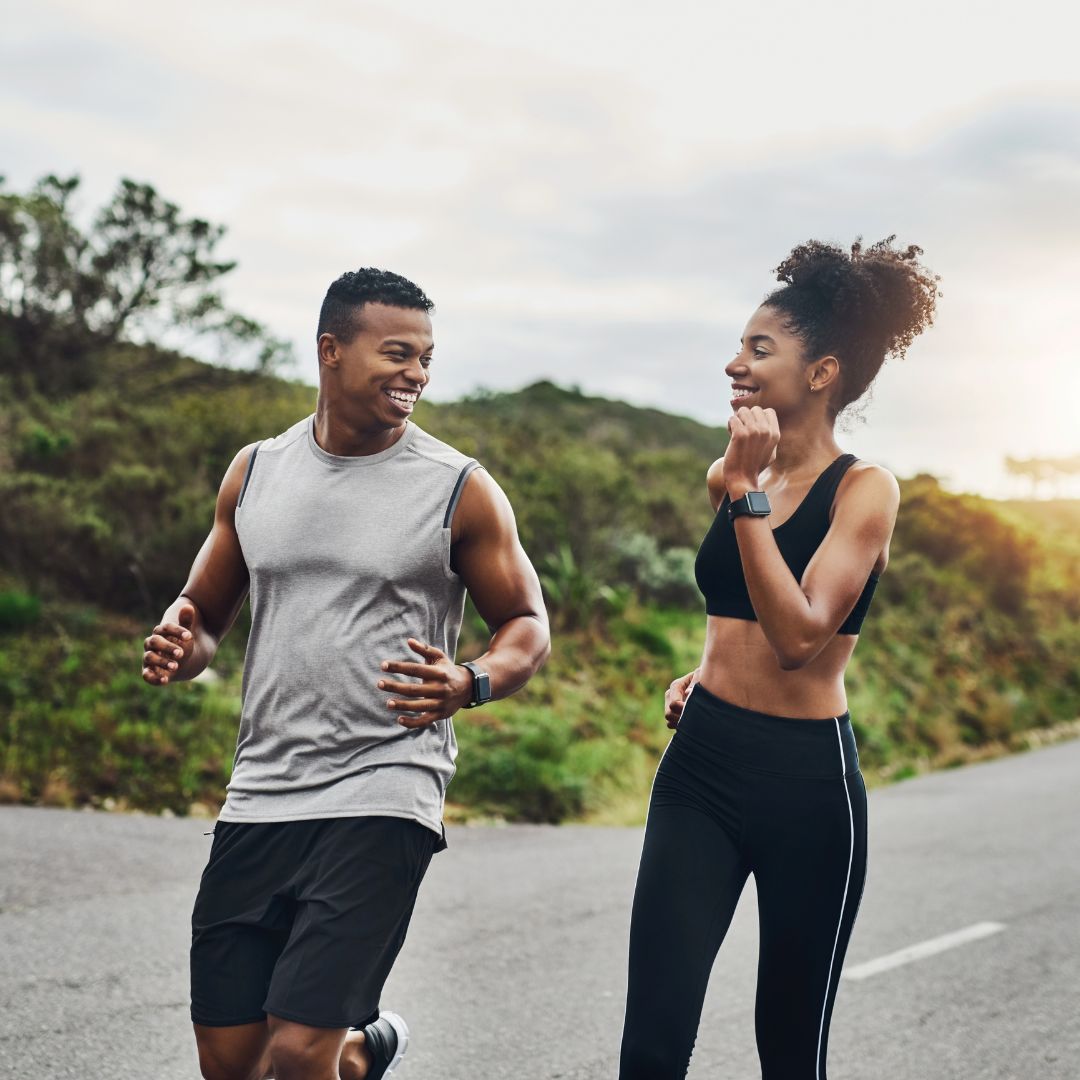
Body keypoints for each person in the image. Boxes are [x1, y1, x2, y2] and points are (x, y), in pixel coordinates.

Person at [141, 268, 550, 1080]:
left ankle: (336, 1051)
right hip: (263, 790)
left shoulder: (458, 488)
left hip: (385, 786)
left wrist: (471, 681)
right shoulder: (256, 471)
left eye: (426, 358)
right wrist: (184, 646)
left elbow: (527, 625)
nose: (417, 375)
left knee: (294, 1053)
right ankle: (364, 1054)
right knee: (232, 1062)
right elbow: (206, 609)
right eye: (396, 353)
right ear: (331, 350)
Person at [619, 238, 939, 1079]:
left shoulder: (864, 489)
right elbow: (737, 603)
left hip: (806, 783)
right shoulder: (731, 473)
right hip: (702, 764)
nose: (736, 364)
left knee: (789, 1050)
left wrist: (747, 492)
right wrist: (708, 668)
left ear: (822, 372)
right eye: (740, 346)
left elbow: (800, 637)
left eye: (760, 350)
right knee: (651, 1044)